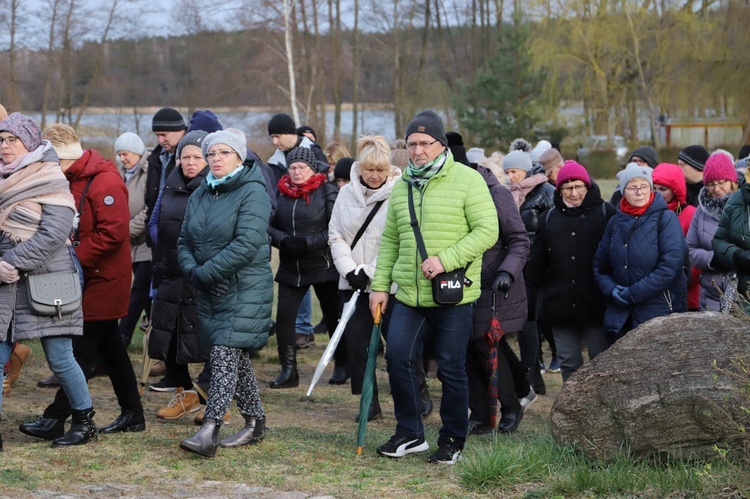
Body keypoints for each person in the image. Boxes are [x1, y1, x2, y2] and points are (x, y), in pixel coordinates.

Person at [369, 109, 498, 464]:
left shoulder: (468, 180)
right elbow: (391, 241)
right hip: (408, 295)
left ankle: (453, 438)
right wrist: (379, 287)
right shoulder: (402, 186)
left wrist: (446, 259)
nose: (418, 150)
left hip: (452, 294)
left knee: (450, 366)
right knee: (397, 357)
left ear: (441, 145)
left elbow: (488, 231)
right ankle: (410, 433)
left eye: (425, 143)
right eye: (412, 143)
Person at [21, 123, 144, 444]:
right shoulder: (71, 178)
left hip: (102, 280)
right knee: (112, 348)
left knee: (80, 352)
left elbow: (112, 234)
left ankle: (56, 417)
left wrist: (71, 261)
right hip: (84, 277)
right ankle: (133, 413)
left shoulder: (105, 181)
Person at [0, 113, 94, 450]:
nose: (5, 146)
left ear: (30, 141)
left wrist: (10, 262)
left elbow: (54, 234)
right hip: (4, 283)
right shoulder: (2, 176)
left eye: (12, 139)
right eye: (1, 140)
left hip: (51, 278)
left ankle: (84, 422)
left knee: (60, 357)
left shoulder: (50, 176)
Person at [177, 130, 273, 457]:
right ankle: (256, 422)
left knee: (222, 353)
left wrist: (204, 273)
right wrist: (193, 271)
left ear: (239, 157)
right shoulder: (202, 193)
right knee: (235, 356)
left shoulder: (252, 192)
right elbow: (184, 241)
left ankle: (211, 428)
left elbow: (246, 244)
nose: (216, 159)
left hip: (244, 288)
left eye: (224, 153)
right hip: (210, 288)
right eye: (212, 153)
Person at [328, 135, 401, 421]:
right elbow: (335, 234)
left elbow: (395, 241)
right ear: (360, 168)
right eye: (369, 170)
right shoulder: (346, 193)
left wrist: (369, 272)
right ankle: (368, 400)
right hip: (351, 283)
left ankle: (412, 394)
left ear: (388, 170)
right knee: (357, 343)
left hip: (388, 284)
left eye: (380, 171)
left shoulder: (398, 193)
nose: (374, 176)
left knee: (397, 345)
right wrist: (349, 270)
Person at [531, 161, 614, 382]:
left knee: (601, 361)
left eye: (578, 186)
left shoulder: (606, 213)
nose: (574, 193)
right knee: (569, 362)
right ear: (559, 190)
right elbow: (537, 263)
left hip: (596, 304)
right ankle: (571, 410)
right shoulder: (549, 219)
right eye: (568, 188)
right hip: (560, 305)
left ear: (587, 186)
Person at [267, 146, 344, 388]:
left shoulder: (327, 191)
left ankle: (343, 363)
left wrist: (307, 243)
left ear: (312, 169)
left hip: (323, 265)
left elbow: (335, 229)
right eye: (293, 167)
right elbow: (267, 225)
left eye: (302, 167)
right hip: (291, 266)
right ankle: (288, 370)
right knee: (285, 319)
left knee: (334, 317)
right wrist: (283, 241)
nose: (297, 172)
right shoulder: (279, 193)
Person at [147, 131, 210, 420]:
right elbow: (154, 221)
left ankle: (212, 399)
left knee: (206, 336)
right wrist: (165, 245)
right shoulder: (169, 185)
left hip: (202, 271)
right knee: (167, 334)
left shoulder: (214, 186)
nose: (190, 162)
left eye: (197, 156)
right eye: (185, 156)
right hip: (169, 268)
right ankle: (183, 391)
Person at [465, 157, 530, 435]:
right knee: (468, 348)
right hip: (461, 282)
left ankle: (511, 405)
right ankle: (480, 413)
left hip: (495, 284)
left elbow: (518, 239)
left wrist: (506, 271)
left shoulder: (496, 193)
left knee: (486, 344)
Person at [593, 162, 688, 343]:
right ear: (623, 191)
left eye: (644, 186)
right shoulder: (614, 223)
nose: (639, 192)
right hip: (621, 314)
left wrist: (633, 293)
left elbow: (670, 266)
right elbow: (599, 265)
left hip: (659, 311)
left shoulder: (666, 219)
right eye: (633, 187)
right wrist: (612, 289)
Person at [504, 147, 555, 390]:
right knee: (525, 320)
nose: (510, 177)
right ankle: (531, 372)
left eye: (514, 171)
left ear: (525, 169)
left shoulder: (546, 192)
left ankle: (532, 371)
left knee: (531, 320)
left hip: (539, 268)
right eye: (507, 172)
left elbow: (553, 230)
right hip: (519, 267)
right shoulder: (511, 194)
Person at [687, 154, 740, 311]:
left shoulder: (745, 206)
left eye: (721, 182)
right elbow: (690, 249)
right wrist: (713, 259)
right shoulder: (701, 212)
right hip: (710, 295)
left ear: (732, 181)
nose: (716, 189)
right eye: (710, 184)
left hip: (743, 293)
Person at [114, 132, 152, 346]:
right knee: (146, 297)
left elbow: (149, 208)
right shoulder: (118, 172)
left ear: (137, 152)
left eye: (125, 154)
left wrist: (124, 230)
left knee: (139, 291)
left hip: (146, 244)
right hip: (127, 245)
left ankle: (122, 338)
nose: (122, 159)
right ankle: (157, 340)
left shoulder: (149, 172)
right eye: (119, 154)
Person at [652, 163, 699, 310]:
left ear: (675, 190)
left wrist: (676, 279)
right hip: (655, 292)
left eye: (663, 189)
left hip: (686, 294)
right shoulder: (649, 214)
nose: (657, 193)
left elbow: (694, 259)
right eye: (654, 188)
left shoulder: (690, 214)